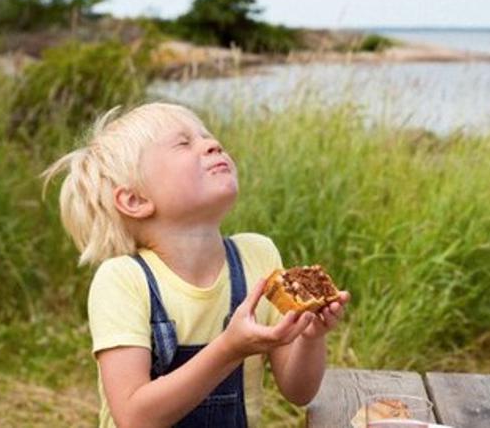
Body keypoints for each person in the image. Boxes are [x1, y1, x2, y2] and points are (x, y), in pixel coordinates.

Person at [42, 102, 351, 428]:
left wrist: (311, 337)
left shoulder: (257, 256)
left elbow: (299, 391)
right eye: (184, 143)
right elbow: (134, 417)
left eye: (208, 136)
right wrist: (229, 349)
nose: (213, 144)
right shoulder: (123, 280)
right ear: (136, 200)